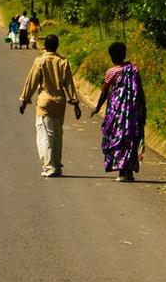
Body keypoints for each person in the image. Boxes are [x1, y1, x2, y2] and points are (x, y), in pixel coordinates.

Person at [17, 34, 81, 177]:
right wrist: (75, 104)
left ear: (45, 46)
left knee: (45, 134)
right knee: (58, 134)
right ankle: (57, 165)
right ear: (57, 46)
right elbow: (69, 84)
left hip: (44, 102)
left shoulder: (40, 61)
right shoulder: (63, 62)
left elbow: (31, 82)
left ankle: (49, 167)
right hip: (60, 101)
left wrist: (24, 101)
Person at [90, 41, 147, 182]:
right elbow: (139, 91)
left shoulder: (111, 72)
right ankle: (129, 172)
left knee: (119, 139)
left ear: (111, 56)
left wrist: (97, 108)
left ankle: (122, 172)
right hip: (133, 112)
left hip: (117, 114)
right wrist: (142, 109)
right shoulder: (134, 70)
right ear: (124, 54)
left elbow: (104, 92)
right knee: (131, 139)